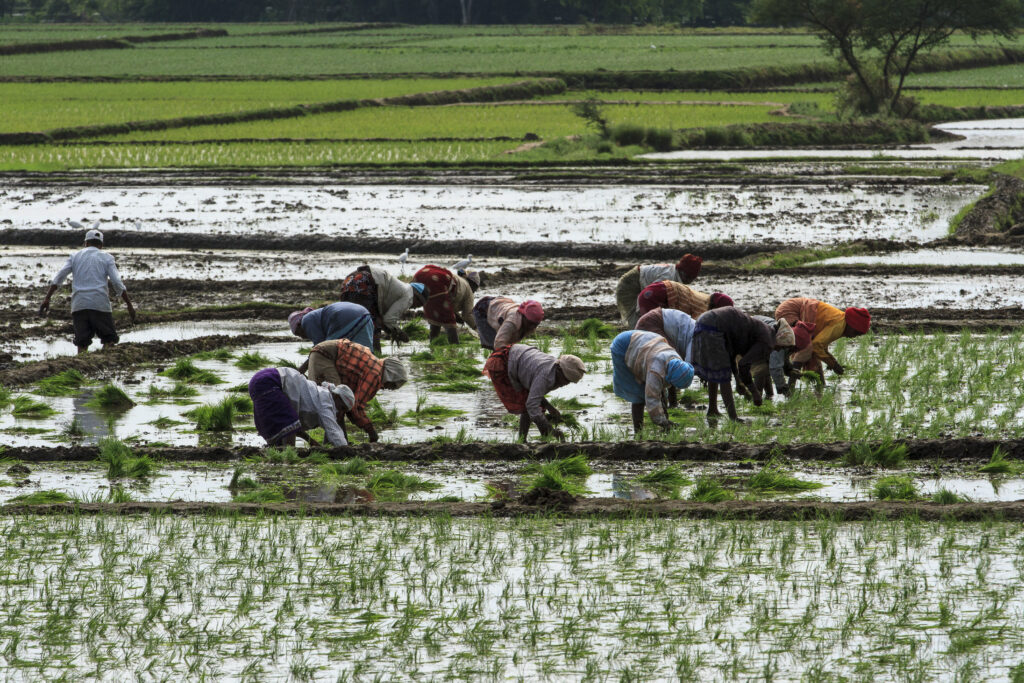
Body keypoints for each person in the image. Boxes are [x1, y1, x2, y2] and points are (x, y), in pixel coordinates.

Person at [39, 228, 137, 354]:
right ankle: (105, 369)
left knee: (82, 343)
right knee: (109, 340)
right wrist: (129, 305)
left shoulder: (75, 256)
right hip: (100, 305)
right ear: (101, 245)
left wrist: (47, 298)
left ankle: (80, 370)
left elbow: (60, 276)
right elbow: (117, 282)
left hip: (79, 305)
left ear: (85, 243)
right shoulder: (107, 258)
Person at [690, 306, 793, 422]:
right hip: (713, 326)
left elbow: (732, 354)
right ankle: (733, 418)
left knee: (716, 370)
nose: (779, 350)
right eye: (782, 347)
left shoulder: (765, 331)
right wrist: (754, 392)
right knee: (724, 376)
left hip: (704, 321)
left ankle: (713, 410)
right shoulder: (767, 342)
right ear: (780, 339)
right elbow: (743, 365)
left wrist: (739, 381)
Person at [306, 338, 408, 443]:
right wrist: (370, 430)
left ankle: (337, 442)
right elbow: (355, 407)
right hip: (325, 356)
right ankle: (333, 443)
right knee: (334, 403)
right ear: (390, 376)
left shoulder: (374, 366)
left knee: (338, 405)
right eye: (393, 385)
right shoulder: (375, 375)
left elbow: (350, 403)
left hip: (324, 352)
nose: (390, 389)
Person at [482, 344, 585, 441]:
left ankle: (539, 439)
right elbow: (531, 405)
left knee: (535, 407)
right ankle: (528, 440)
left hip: (516, 358)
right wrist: (551, 430)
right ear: (560, 372)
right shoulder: (546, 376)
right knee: (527, 407)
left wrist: (550, 407)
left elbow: (534, 392)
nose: (566, 384)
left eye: (569, 382)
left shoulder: (553, 369)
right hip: (502, 363)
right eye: (567, 380)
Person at [610, 330, 695, 435]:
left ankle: (664, 426)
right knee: (638, 393)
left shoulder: (677, 362)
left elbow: (662, 390)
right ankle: (638, 432)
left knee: (658, 389)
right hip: (624, 345)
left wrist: (665, 419)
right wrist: (662, 422)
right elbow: (652, 397)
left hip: (644, 341)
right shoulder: (656, 369)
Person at [249, 367, 354, 448]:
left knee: (278, 432)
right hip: (270, 381)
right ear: (336, 396)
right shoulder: (326, 401)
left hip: (257, 381)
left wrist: (312, 443)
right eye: (342, 408)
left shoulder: (319, 392)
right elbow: (334, 432)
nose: (341, 413)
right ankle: (289, 459)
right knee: (288, 424)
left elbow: (296, 429)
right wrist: (347, 450)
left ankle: (281, 458)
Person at [775, 297, 871, 383]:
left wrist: (832, 361)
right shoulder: (839, 325)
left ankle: (820, 385)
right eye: (855, 333)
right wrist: (833, 364)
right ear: (851, 325)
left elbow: (821, 346)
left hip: (793, 306)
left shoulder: (841, 321)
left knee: (812, 352)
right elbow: (816, 345)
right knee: (806, 349)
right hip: (790, 310)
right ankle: (790, 388)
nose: (854, 336)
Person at [338, 265, 428, 352]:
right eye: (418, 304)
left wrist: (390, 331)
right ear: (417, 296)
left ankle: (346, 353)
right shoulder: (409, 296)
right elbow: (388, 319)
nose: (415, 307)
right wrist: (399, 333)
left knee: (351, 322)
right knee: (372, 326)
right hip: (363, 283)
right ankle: (374, 357)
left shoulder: (400, 289)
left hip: (350, 280)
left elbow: (383, 320)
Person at [614, 254, 702, 327]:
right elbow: (648, 295)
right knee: (636, 320)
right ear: (685, 274)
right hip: (630, 283)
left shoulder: (675, 275)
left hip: (641, 282)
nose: (690, 281)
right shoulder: (667, 277)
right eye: (690, 278)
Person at [635, 307, 696, 408]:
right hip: (652, 323)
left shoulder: (695, 334)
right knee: (670, 362)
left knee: (669, 363)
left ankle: (668, 402)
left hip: (653, 319)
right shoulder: (695, 340)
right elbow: (686, 365)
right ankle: (669, 403)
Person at [412, 264, 479, 343]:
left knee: (436, 319)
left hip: (420, 275)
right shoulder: (469, 290)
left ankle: (433, 345)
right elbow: (468, 315)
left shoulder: (458, 279)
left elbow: (449, 300)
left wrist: (457, 315)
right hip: (436, 283)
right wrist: (478, 329)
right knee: (449, 321)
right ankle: (454, 348)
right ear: (473, 285)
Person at [750, 315, 814, 398]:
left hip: (758, 337)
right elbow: (775, 367)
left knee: (766, 364)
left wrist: (789, 369)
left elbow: (782, 357)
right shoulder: (781, 340)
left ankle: (769, 397)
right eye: (795, 349)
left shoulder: (786, 337)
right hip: (747, 337)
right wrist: (782, 387)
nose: (794, 352)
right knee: (761, 369)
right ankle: (756, 400)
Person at [289, 301, 374, 349]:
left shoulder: (306, 320)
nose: (302, 337)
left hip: (343, 318)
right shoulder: (316, 316)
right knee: (365, 352)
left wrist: (301, 371)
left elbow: (321, 348)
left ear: (299, 324)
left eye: (298, 333)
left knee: (331, 351)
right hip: (364, 314)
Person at [472, 296, 544, 350]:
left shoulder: (529, 323)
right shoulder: (512, 322)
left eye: (535, 325)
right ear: (524, 317)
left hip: (501, 305)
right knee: (493, 345)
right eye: (530, 324)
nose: (533, 327)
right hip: (483, 310)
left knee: (508, 341)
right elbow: (498, 344)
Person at [636, 281, 731, 321]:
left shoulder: (702, 298)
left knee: (647, 327)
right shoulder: (702, 309)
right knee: (652, 333)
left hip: (652, 291)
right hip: (655, 297)